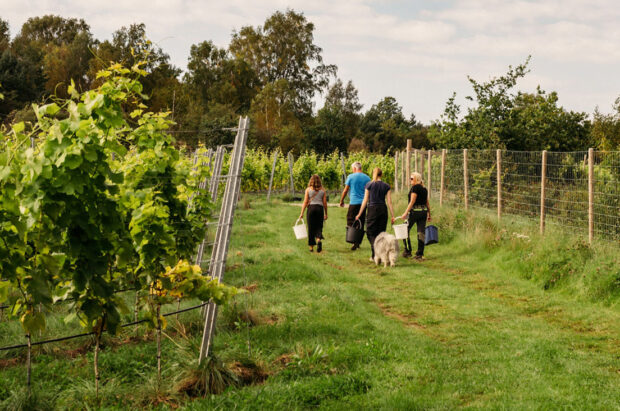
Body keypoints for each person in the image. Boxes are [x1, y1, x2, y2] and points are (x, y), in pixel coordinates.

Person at [355, 168, 395, 261]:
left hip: (372, 209)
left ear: (374, 174)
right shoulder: (386, 186)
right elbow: (389, 202)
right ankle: (376, 255)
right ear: (381, 175)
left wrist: (359, 213)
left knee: (370, 232)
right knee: (381, 233)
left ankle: (376, 253)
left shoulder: (369, 185)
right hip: (383, 209)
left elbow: (365, 200)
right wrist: (392, 215)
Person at [399, 172, 431, 260]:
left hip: (414, 213)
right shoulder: (424, 189)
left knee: (404, 230)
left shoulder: (415, 188)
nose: (410, 180)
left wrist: (405, 212)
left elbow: (412, 201)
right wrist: (429, 213)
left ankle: (408, 251)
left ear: (417, 179)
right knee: (421, 233)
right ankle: (419, 254)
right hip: (423, 212)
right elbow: (426, 202)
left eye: (411, 178)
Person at [339, 162, 371, 250]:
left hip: (353, 203)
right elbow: (370, 191)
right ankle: (357, 242)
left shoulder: (351, 177)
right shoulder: (367, 178)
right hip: (363, 204)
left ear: (355, 168)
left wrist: (341, 200)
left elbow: (345, 190)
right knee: (361, 221)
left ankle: (353, 240)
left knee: (350, 220)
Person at [299, 174, 328, 252]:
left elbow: (305, 202)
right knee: (319, 226)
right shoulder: (323, 190)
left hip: (311, 209)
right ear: (319, 181)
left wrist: (301, 213)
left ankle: (311, 247)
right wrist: (326, 213)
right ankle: (318, 240)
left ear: (311, 181)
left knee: (311, 227)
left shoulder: (308, 190)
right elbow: (325, 203)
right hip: (319, 209)